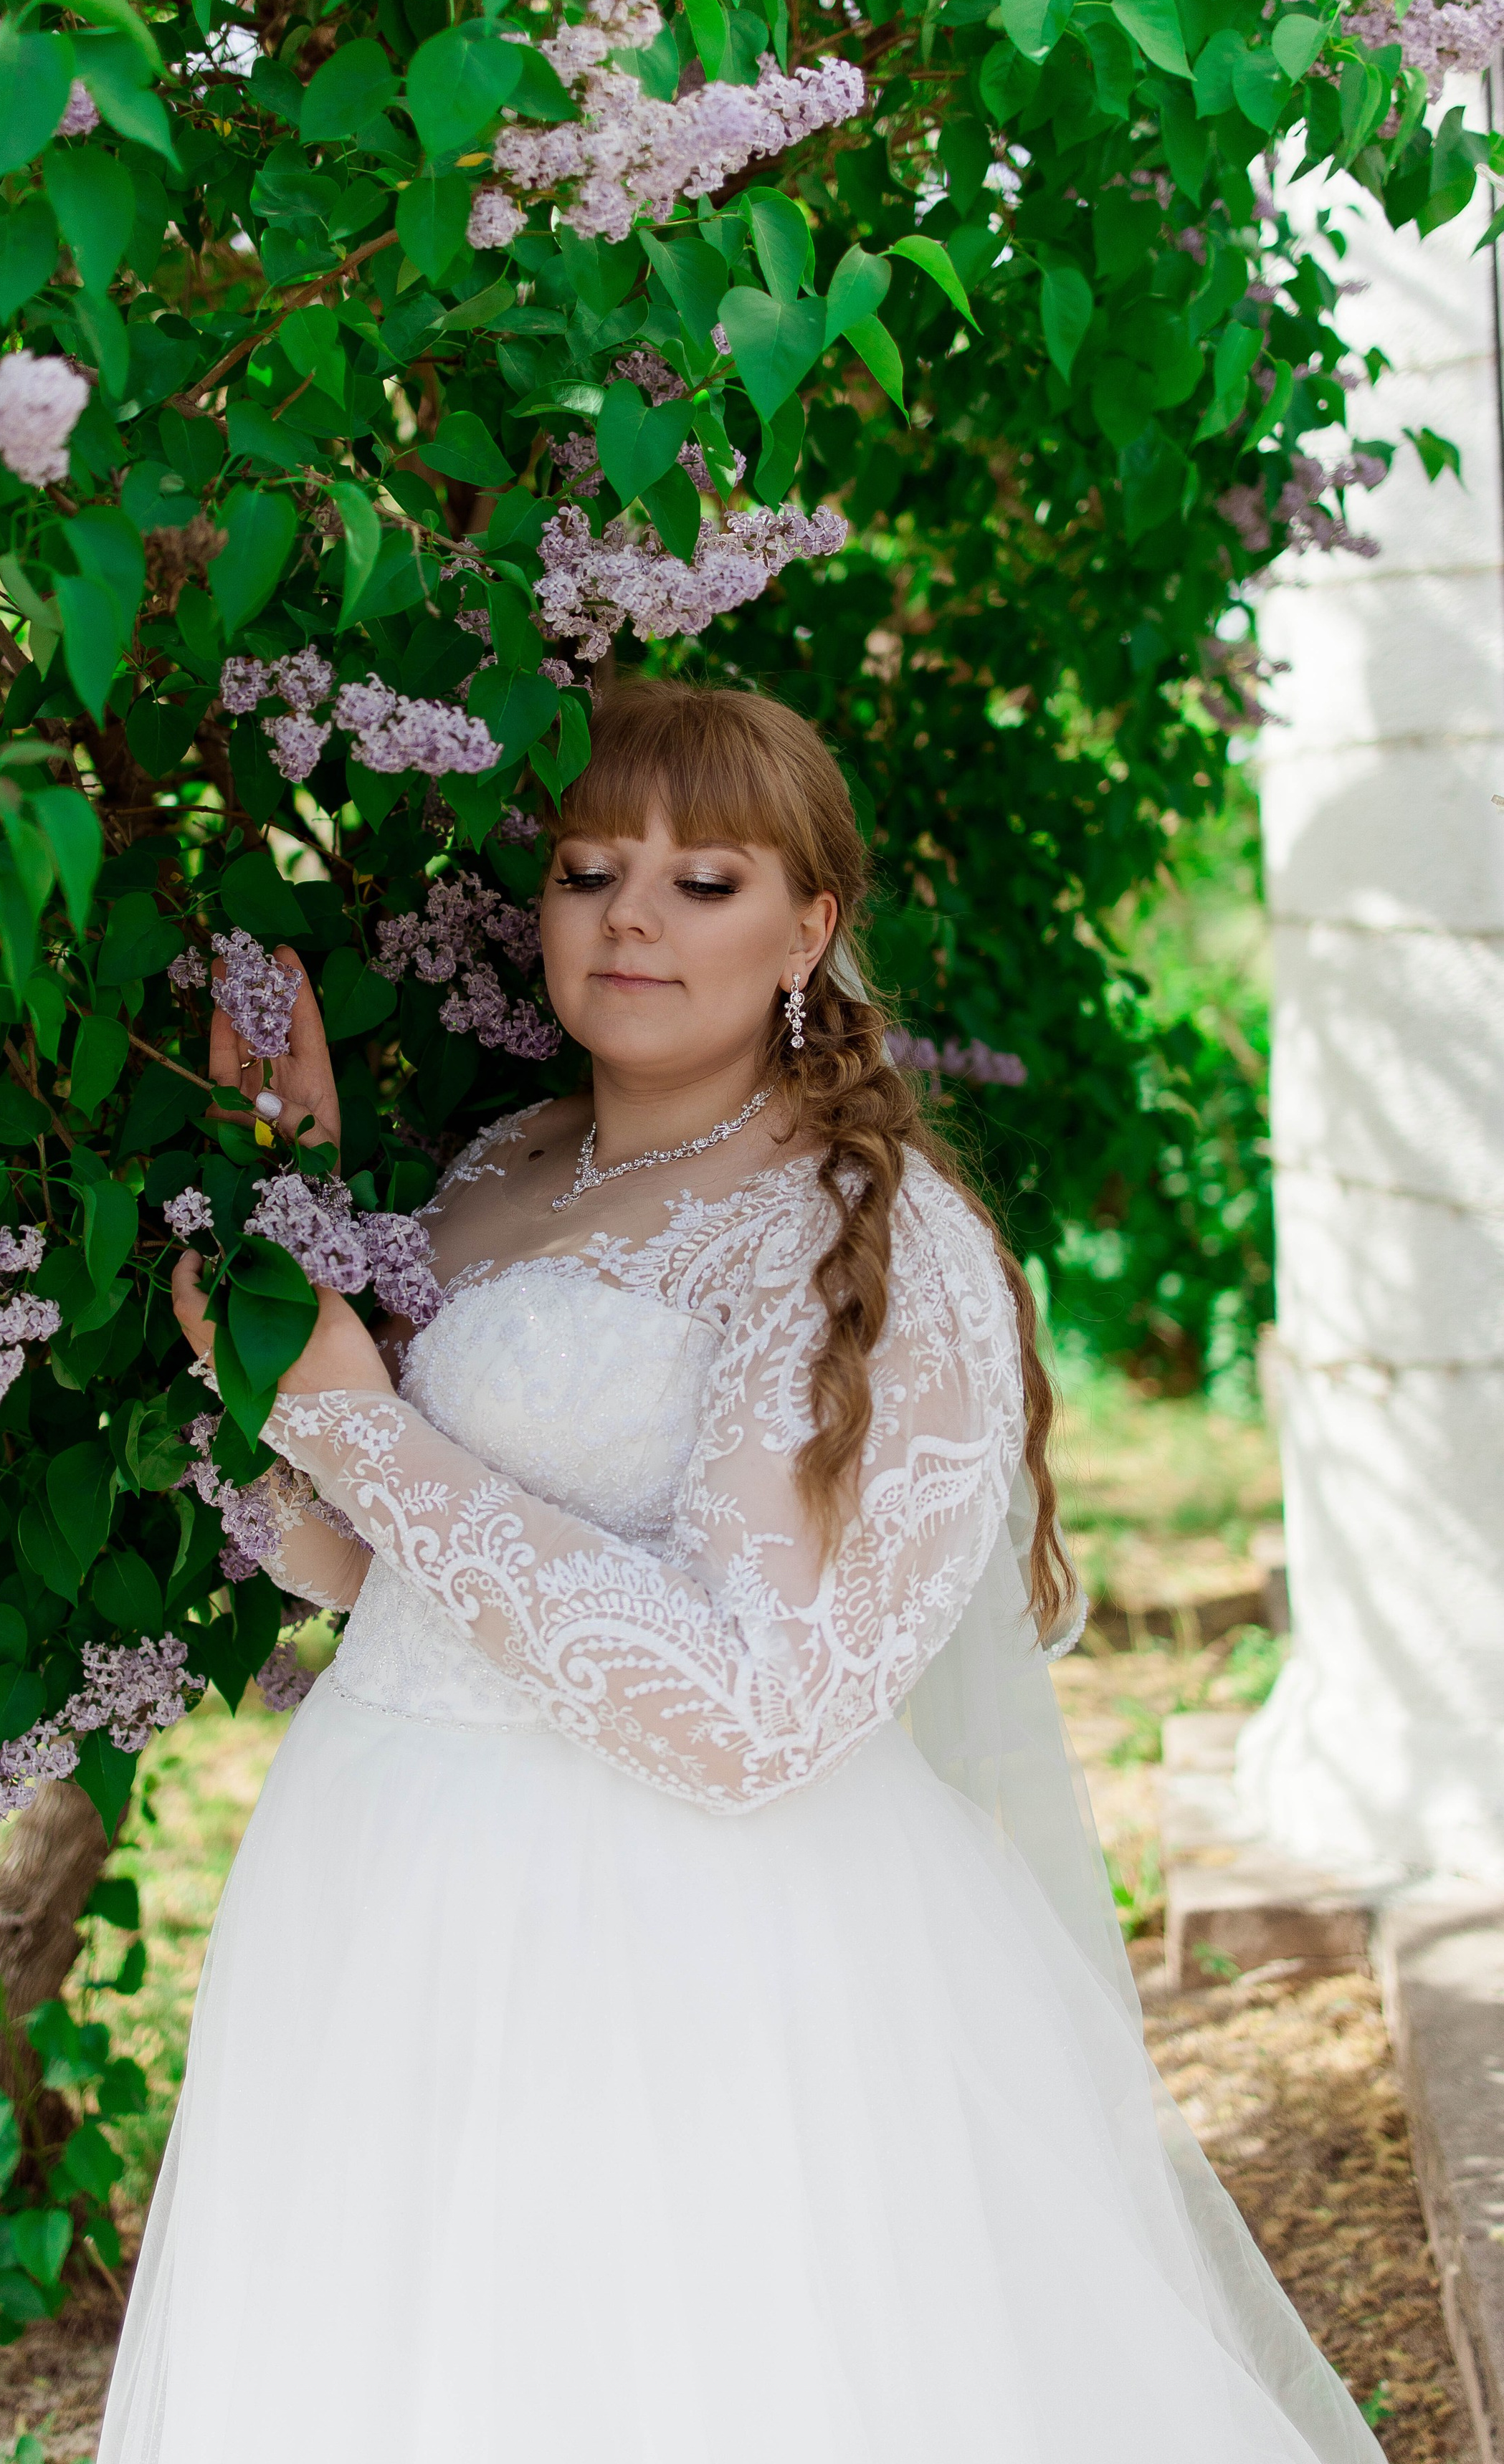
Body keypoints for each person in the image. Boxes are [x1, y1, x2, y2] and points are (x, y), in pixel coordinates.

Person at [97, 680, 1381, 2464]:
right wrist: (282, 1238)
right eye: (587, 870)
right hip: (378, 1885)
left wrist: (359, 1423)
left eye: (702, 880)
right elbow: (362, 1563)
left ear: (807, 929)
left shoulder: (862, 1236)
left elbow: (755, 1712)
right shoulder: (496, 1168)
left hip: (675, 1946)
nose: (629, 914)